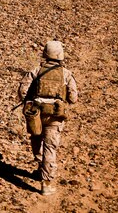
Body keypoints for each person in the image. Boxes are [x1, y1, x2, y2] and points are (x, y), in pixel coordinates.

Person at [17, 41, 78, 196]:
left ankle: (40, 166)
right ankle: (46, 184)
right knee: (50, 148)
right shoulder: (66, 73)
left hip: (36, 114)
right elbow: (73, 98)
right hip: (55, 116)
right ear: (60, 56)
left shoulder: (36, 70)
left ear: (45, 54)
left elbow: (22, 91)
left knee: (36, 139)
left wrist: (32, 100)